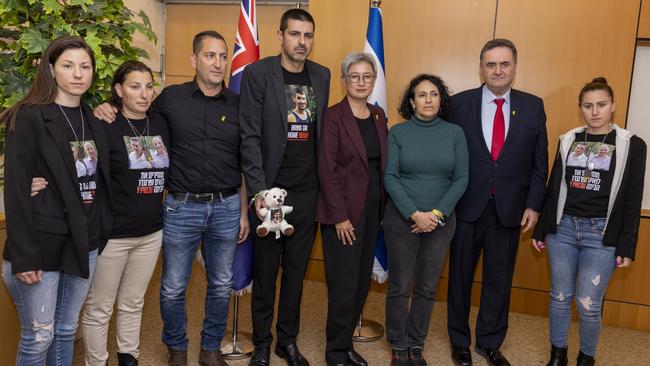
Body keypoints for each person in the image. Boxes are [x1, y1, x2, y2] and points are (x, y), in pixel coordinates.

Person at [93, 31, 249, 366]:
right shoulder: (169, 99)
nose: (218, 63)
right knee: (173, 287)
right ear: (194, 60)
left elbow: (245, 159)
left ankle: (209, 350)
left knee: (221, 284)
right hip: (181, 206)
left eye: (223, 56)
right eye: (210, 56)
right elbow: (133, 115)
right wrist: (105, 107)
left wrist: (244, 212)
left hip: (226, 206)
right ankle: (177, 349)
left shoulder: (239, 104)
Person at [1, 36, 112, 366]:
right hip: (41, 245)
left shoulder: (92, 119)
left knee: (66, 330)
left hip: (85, 242)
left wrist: (101, 227)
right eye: (68, 66)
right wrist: (24, 256)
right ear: (51, 69)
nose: (78, 74)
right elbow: (17, 192)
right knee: (39, 336)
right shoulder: (29, 116)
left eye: (85, 66)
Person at [446, 38, 548, 366]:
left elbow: (539, 163)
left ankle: (489, 342)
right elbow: (446, 156)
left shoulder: (533, 106)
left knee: (498, 280)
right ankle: (459, 341)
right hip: (466, 206)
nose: (498, 70)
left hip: (510, 210)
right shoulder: (458, 104)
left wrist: (533, 205)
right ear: (481, 68)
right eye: (491, 64)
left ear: (514, 67)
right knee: (459, 277)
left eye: (504, 64)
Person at [532, 77, 646, 366]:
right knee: (559, 297)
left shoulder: (631, 144)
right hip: (564, 229)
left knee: (587, 303)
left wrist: (627, 245)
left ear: (613, 106)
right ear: (580, 109)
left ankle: (586, 358)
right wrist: (543, 228)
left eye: (601, 105)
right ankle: (558, 355)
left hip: (602, 234)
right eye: (588, 106)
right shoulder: (568, 139)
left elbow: (632, 200)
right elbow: (554, 186)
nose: (594, 111)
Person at [239, 8, 330, 366]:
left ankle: (285, 341)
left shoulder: (321, 76)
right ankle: (262, 342)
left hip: (308, 192)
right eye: (294, 34)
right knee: (265, 274)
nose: (301, 42)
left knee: (296, 274)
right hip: (272, 191)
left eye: (308, 35)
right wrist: (259, 191)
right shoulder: (259, 73)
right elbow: (249, 136)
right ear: (280, 36)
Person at [77, 60, 168, 366]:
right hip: (112, 235)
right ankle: (97, 362)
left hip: (151, 233)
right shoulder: (103, 124)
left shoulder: (160, 123)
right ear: (118, 90)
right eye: (134, 86)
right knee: (100, 307)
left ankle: (129, 359)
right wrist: (98, 108)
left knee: (133, 303)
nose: (144, 94)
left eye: (148, 86)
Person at [383, 74, 469, 366]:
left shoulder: (455, 133)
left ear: (441, 99)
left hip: (440, 222)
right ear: (412, 101)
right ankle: (398, 343)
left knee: (427, 287)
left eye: (434, 94)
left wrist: (434, 215)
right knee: (399, 284)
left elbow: (461, 179)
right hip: (401, 219)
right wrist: (414, 214)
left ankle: (416, 344)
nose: (428, 100)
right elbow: (390, 177)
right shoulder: (397, 132)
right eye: (422, 95)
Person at [315, 52, 387, 366]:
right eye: (354, 76)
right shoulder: (333, 116)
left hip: (373, 211)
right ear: (344, 80)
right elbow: (326, 169)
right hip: (343, 214)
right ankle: (335, 352)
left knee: (360, 282)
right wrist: (340, 216)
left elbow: (381, 164)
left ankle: (345, 345)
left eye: (367, 76)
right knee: (343, 284)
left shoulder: (378, 115)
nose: (361, 82)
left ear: (374, 81)